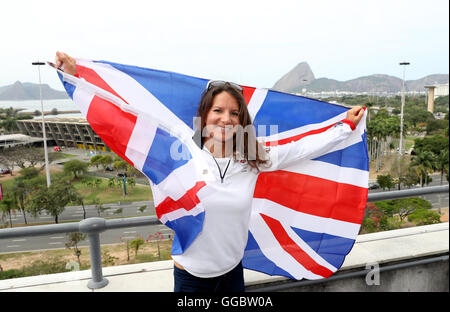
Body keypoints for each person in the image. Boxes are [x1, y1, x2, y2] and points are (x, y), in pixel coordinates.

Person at [55, 52, 365, 292]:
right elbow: (122, 120)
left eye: (234, 113)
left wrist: (345, 126)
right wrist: (76, 78)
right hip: (191, 278)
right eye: (218, 111)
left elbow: (301, 148)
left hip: (232, 273)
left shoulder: (252, 160)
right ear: (204, 116)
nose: (226, 119)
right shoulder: (180, 155)